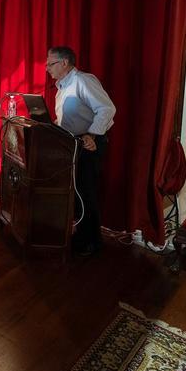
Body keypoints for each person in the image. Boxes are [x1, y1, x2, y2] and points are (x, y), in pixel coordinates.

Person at [45, 46, 116, 256]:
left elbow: (107, 108)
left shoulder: (83, 81)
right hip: (72, 143)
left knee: (86, 192)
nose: (47, 68)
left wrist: (92, 135)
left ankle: (92, 242)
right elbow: (69, 119)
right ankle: (81, 235)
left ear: (64, 63)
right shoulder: (62, 86)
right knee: (76, 193)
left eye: (51, 63)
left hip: (89, 143)